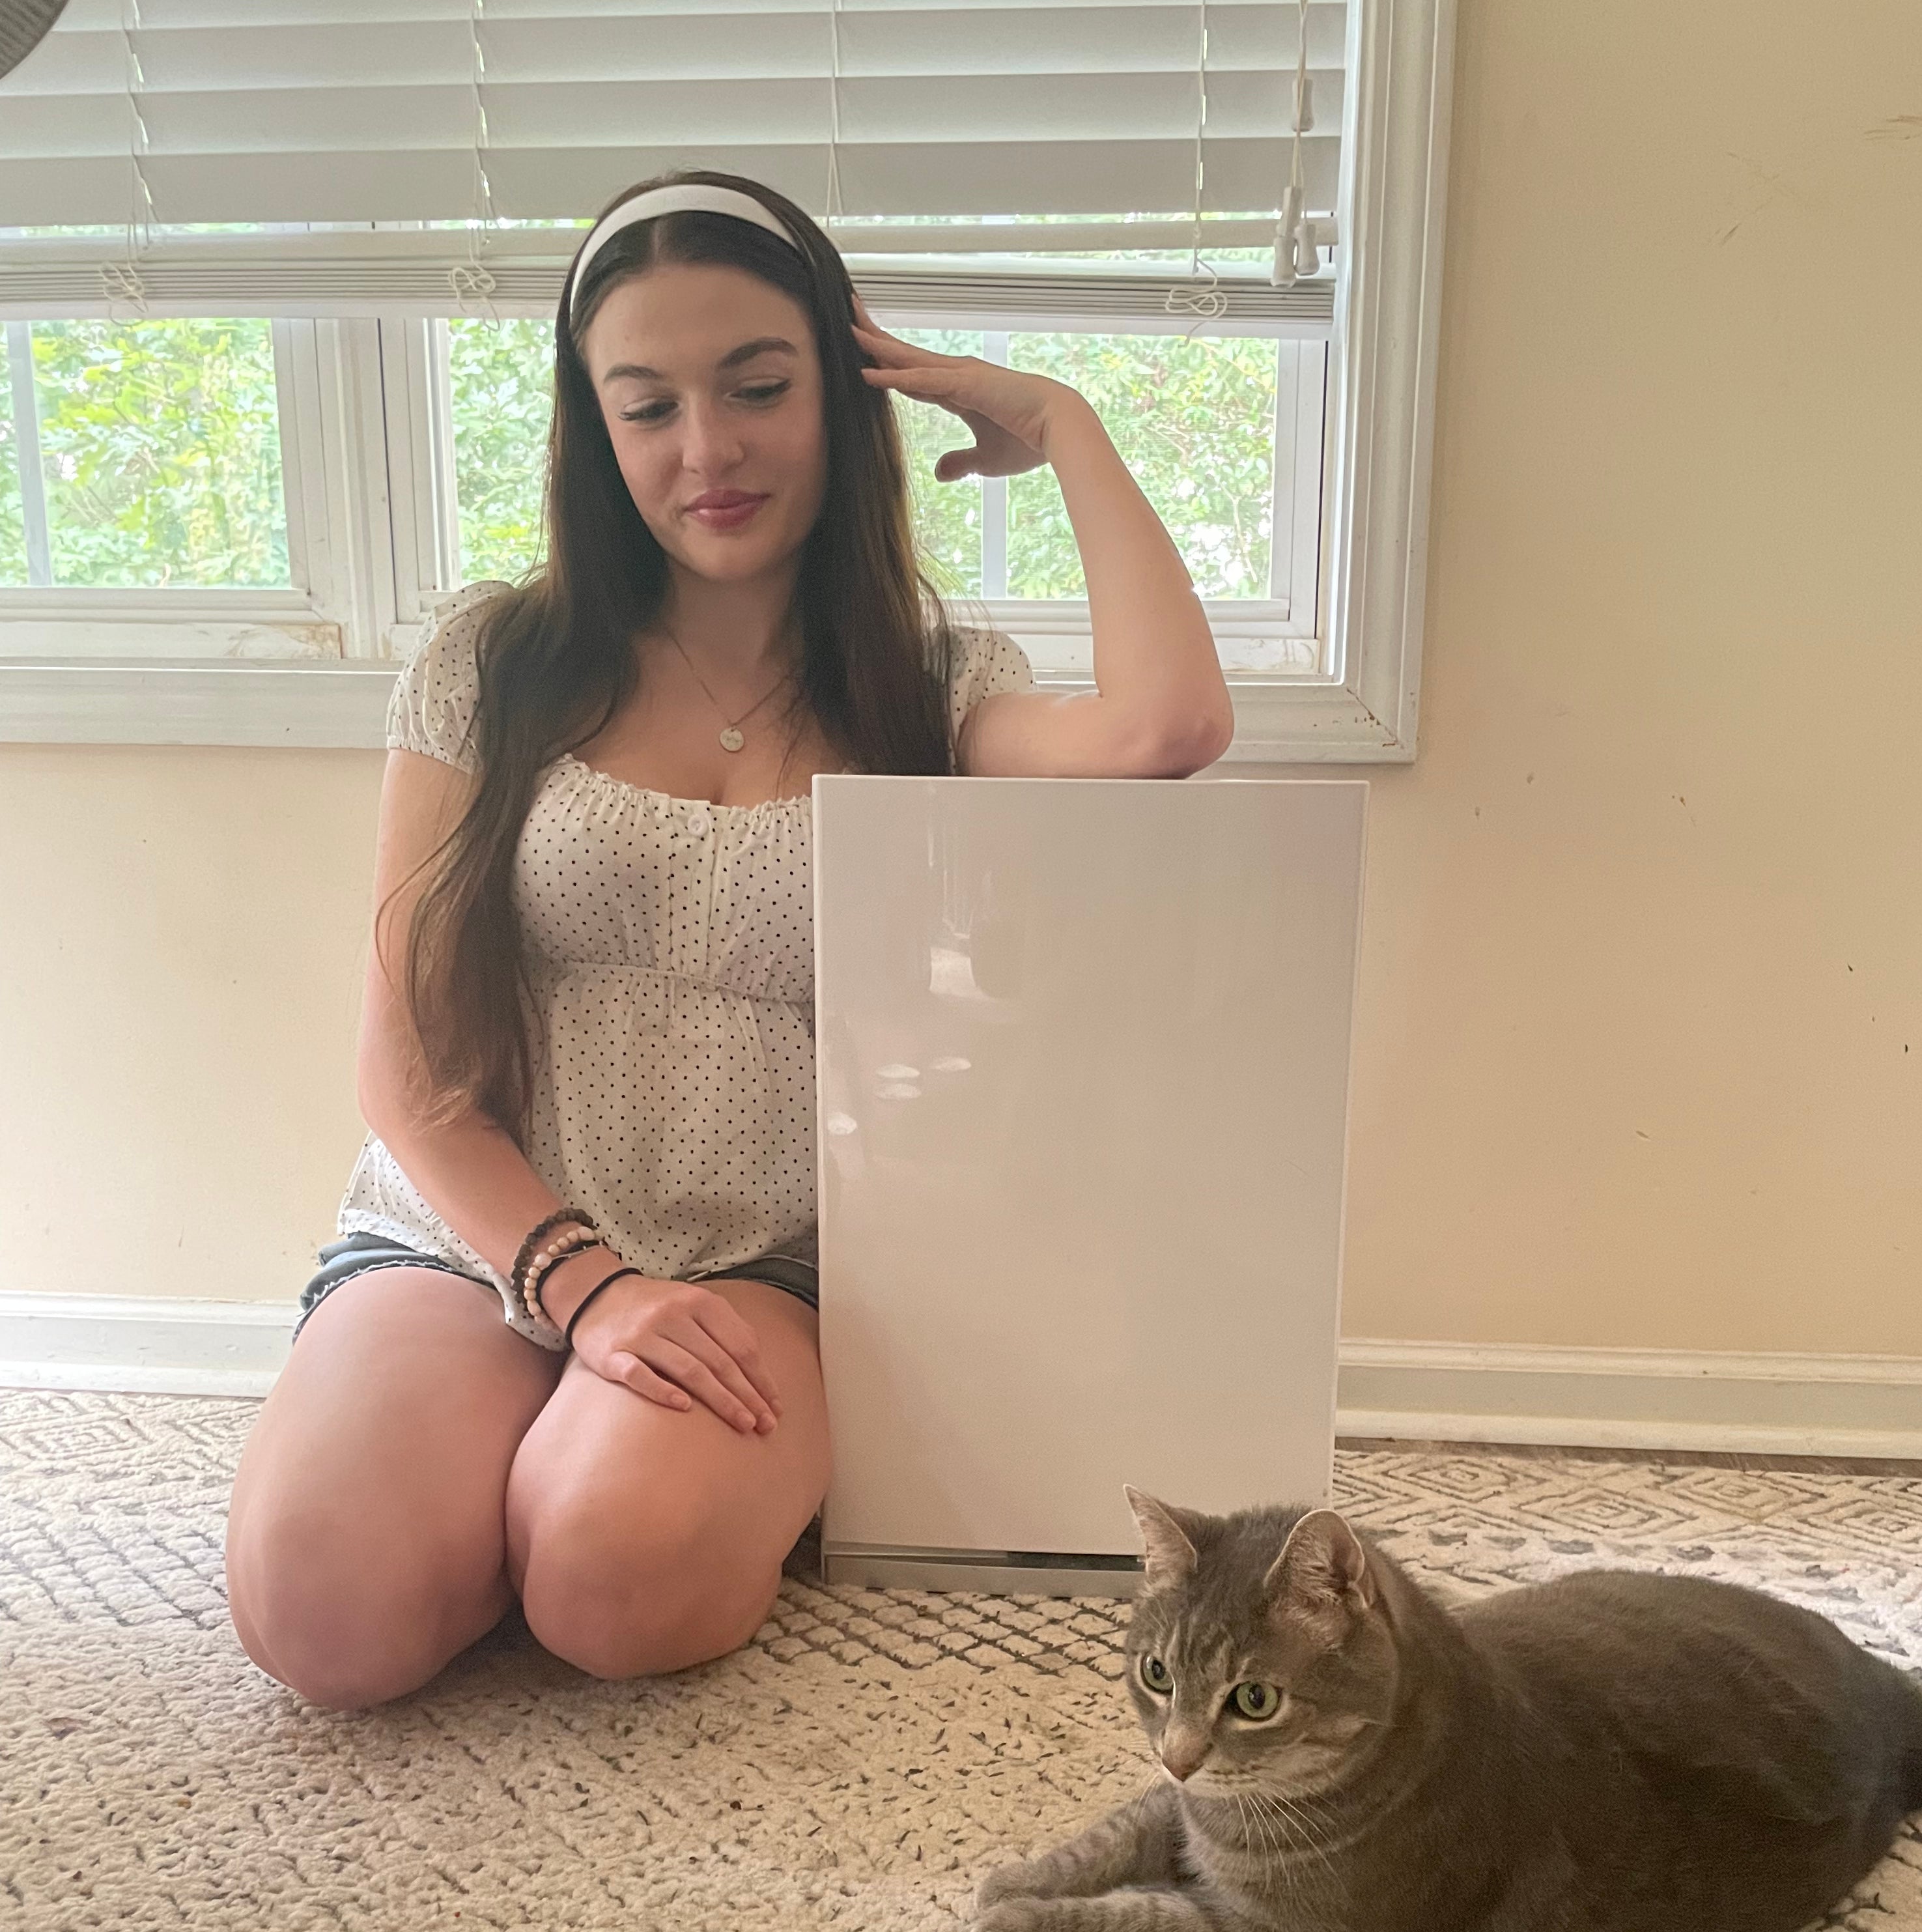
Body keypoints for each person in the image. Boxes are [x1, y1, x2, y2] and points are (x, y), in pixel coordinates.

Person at [225, 167, 1236, 1712]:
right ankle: (515, 1456)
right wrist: (587, 1295)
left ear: (842, 389)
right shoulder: (489, 664)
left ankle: (582, 1481)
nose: (707, 450)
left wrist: (1066, 424)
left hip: (770, 1259)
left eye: (758, 386)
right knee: (324, 1616)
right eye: (648, 406)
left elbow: (1170, 724)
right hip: (476, 1240)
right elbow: (408, 1069)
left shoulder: (935, 685)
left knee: (615, 1583)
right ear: (596, 430)